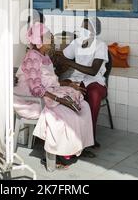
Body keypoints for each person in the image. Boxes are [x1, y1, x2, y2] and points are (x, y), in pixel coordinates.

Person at [14, 22, 94, 169]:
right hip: (33, 100)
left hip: (48, 94)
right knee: (65, 115)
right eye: (48, 37)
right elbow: (36, 89)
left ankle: (76, 148)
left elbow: (51, 82)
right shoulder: (32, 57)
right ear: (39, 41)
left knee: (84, 107)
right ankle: (57, 154)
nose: (51, 39)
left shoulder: (45, 56)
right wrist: (60, 100)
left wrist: (67, 85)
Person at [56, 18, 109, 148]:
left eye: (87, 28)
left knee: (94, 95)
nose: (82, 31)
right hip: (77, 79)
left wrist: (70, 63)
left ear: (94, 31)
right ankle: (68, 135)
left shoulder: (100, 45)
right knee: (61, 88)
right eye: (81, 27)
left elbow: (93, 70)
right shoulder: (76, 43)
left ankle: (90, 137)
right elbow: (62, 58)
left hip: (95, 81)